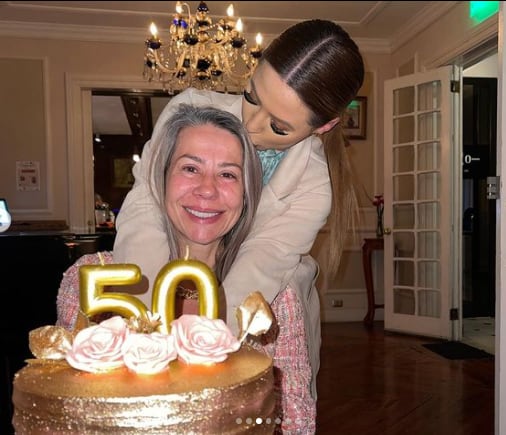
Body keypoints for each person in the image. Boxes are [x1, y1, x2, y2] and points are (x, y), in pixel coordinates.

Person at [114, 19, 364, 433]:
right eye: (251, 95)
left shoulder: (314, 187)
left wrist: (199, 348)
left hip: (265, 309)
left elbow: (258, 268)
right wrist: (152, 325)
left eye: (279, 127)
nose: (250, 125)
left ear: (323, 126)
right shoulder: (189, 108)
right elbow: (144, 209)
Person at [56, 104, 317, 432]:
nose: (207, 189)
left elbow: (295, 419)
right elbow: (64, 414)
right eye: (190, 168)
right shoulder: (94, 281)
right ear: (162, 179)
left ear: (247, 194)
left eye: (228, 174)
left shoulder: (277, 298)